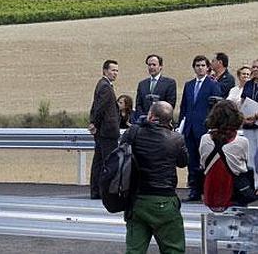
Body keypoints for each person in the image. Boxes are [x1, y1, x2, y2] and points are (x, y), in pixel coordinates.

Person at [124, 101, 188, 254]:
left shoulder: (134, 133)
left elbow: (121, 153)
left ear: (150, 116)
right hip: (165, 200)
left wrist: (141, 124)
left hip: (138, 200)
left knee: (134, 250)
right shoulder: (176, 139)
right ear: (170, 120)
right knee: (174, 249)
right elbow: (183, 162)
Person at [179, 55, 222, 202]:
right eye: (197, 65)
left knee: (206, 160)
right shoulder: (189, 85)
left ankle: (207, 190)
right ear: (194, 67)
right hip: (190, 128)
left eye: (203, 65)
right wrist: (181, 126)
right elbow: (184, 106)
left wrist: (214, 127)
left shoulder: (212, 85)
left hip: (205, 129)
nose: (200, 68)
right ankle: (194, 190)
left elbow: (217, 108)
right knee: (192, 161)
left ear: (207, 67)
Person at [200, 100, 251, 203]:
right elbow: (247, 164)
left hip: (211, 191)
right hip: (235, 192)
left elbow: (202, 163)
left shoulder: (204, 139)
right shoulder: (242, 141)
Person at [88, 59, 120, 200]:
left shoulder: (102, 85)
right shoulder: (105, 86)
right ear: (105, 71)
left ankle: (96, 190)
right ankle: (104, 191)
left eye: (117, 71)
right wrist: (94, 123)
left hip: (103, 131)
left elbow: (95, 106)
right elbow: (100, 107)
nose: (115, 73)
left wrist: (93, 122)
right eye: (113, 70)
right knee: (107, 162)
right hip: (107, 132)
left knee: (99, 162)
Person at [134, 54, 177, 120]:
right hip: (145, 123)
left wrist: (156, 118)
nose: (151, 67)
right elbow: (138, 104)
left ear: (160, 66)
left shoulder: (169, 83)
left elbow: (170, 104)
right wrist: (145, 117)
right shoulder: (142, 84)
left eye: (154, 65)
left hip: (162, 122)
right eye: (149, 65)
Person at [240, 59, 258, 189]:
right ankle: (252, 185)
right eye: (253, 67)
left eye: (257, 67)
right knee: (249, 156)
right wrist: (243, 117)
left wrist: (256, 116)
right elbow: (243, 102)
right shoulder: (248, 84)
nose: (255, 69)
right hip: (248, 125)